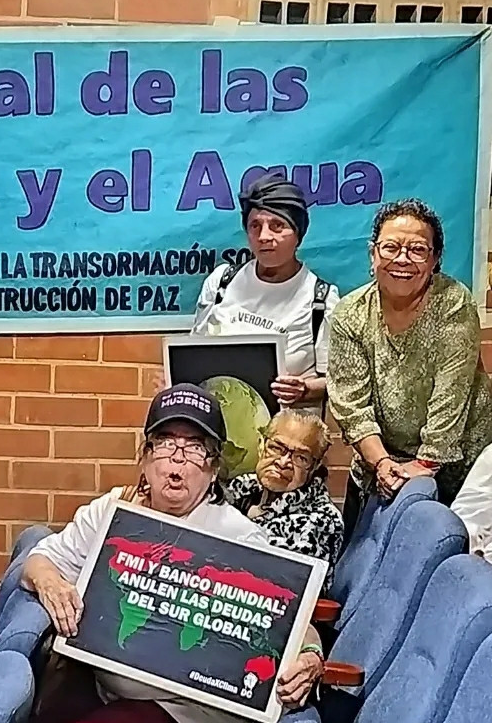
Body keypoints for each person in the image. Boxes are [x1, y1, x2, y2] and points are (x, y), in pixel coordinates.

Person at [18, 385, 325, 723]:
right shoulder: (113, 512)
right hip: (112, 683)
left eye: (196, 448)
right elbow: (41, 557)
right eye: (166, 444)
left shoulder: (238, 537)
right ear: (145, 456)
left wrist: (310, 656)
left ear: (213, 467)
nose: (177, 459)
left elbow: (299, 619)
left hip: (190, 711)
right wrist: (50, 582)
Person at [328, 198, 492, 537]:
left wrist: (425, 464)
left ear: (434, 260)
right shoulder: (349, 314)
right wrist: (382, 463)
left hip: (459, 469)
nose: (403, 259)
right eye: (391, 247)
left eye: (418, 250)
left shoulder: (454, 303)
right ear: (373, 254)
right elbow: (350, 404)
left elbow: (452, 394)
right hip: (381, 466)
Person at [192, 174, 339, 414]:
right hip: (220, 431)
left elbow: (335, 383)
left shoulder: (320, 299)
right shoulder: (221, 282)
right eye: (255, 226)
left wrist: (304, 389)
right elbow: (194, 356)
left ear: (298, 234)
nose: (264, 237)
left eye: (277, 226)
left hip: (286, 436)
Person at [225, 410, 344, 587]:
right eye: (276, 448)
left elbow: (252, 572)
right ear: (261, 445)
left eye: (300, 458)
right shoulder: (241, 488)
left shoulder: (322, 520)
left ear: (314, 466)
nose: (283, 462)